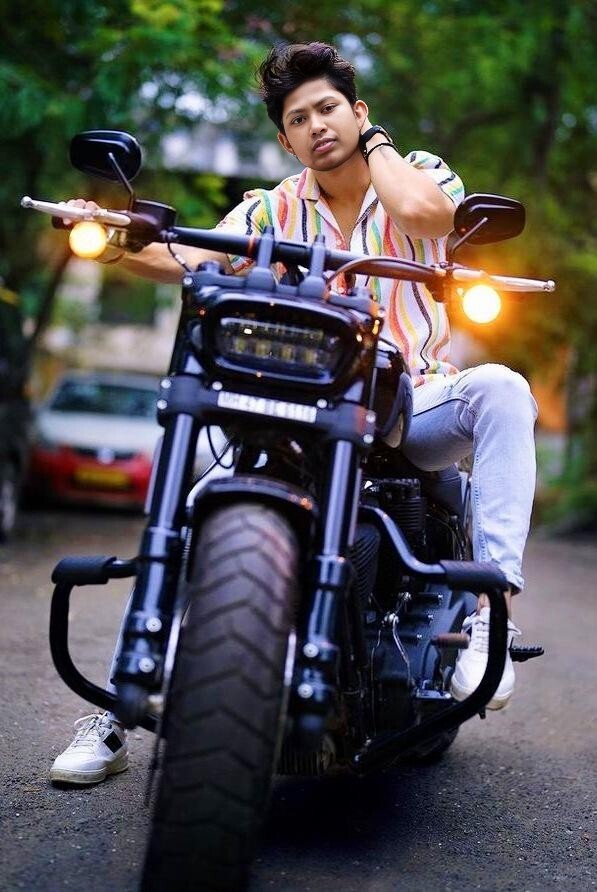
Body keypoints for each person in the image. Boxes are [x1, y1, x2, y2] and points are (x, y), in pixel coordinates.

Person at [50, 42, 537, 785]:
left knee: (502, 387)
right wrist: (111, 238)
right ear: (285, 139)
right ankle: (119, 709)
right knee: (196, 507)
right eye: (298, 119)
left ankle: (486, 615)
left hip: (412, 400)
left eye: (328, 108)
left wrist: (374, 146)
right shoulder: (269, 207)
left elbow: (427, 216)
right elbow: (192, 261)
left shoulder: (418, 172)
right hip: (301, 408)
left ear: (358, 112)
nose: (316, 126)